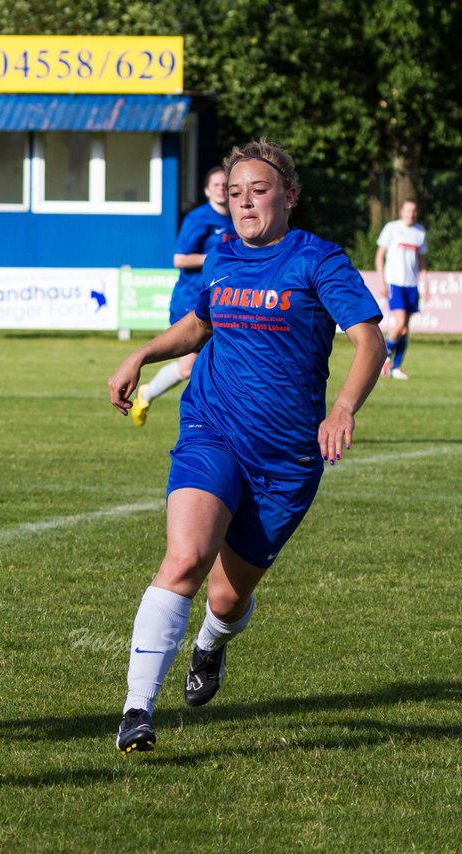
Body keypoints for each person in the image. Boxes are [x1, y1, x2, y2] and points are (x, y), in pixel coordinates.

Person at [105, 140, 384, 755]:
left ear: (288, 195)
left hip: (286, 460)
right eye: (235, 193)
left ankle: (211, 642)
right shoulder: (221, 257)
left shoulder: (320, 261)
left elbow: (370, 342)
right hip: (212, 429)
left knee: (228, 597)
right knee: (184, 558)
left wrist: (342, 408)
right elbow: (200, 325)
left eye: (258, 190)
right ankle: (136, 710)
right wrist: (142, 353)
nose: (244, 203)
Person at [132, 166, 235, 426]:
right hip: (191, 302)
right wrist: (215, 257)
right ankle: (148, 392)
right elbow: (179, 258)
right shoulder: (199, 219)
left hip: (222, 304)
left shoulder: (237, 217)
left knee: (220, 364)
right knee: (191, 368)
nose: (221, 189)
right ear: (206, 190)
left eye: (226, 185)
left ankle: (226, 421)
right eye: (216, 185)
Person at [375, 199, 428, 380]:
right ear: (402, 211)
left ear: (416, 212)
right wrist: (381, 281)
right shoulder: (392, 228)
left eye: (413, 211)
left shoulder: (420, 232)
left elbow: (421, 262)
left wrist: (425, 283)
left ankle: (396, 367)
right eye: (407, 210)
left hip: (411, 284)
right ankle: (383, 357)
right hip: (395, 282)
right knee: (400, 322)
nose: (410, 214)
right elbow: (379, 256)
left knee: (405, 327)